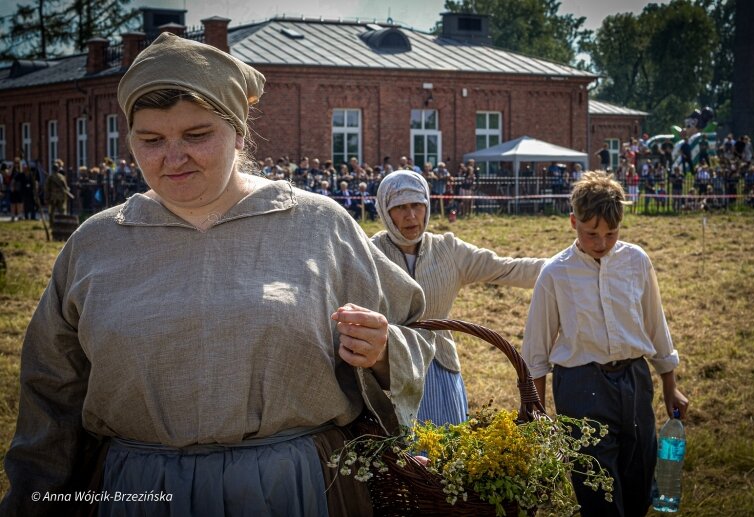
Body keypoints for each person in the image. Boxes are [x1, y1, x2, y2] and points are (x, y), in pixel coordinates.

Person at [0, 32, 436, 517]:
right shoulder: (96, 244)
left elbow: (415, 335)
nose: (173, 157)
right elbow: (50, 395)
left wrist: (381, 353)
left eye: (196, 135)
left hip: (294, 489)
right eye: (150, 140)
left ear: (240, 132)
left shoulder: (320, 225)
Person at [521, 171, 689, 517]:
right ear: (573, 222)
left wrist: (670, 384)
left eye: (611, 233)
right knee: (598, 490)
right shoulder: (555, 273)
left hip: (634, 381)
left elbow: (656, 324)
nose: (601, 242)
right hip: (581, 386)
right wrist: (535, 409)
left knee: (639, 478)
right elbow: (536, 351)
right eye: (591, 233)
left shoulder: (636, 262)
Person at [372, 170, 545, 426]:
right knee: (401, 455)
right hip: (391, 371)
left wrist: (564, 267)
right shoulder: (370, 253)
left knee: (447, 448)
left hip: (440, 367)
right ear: (385, 211)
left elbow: (505, 268)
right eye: (400, 208)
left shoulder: (448, 250)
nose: (410, 216)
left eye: (417, 205)